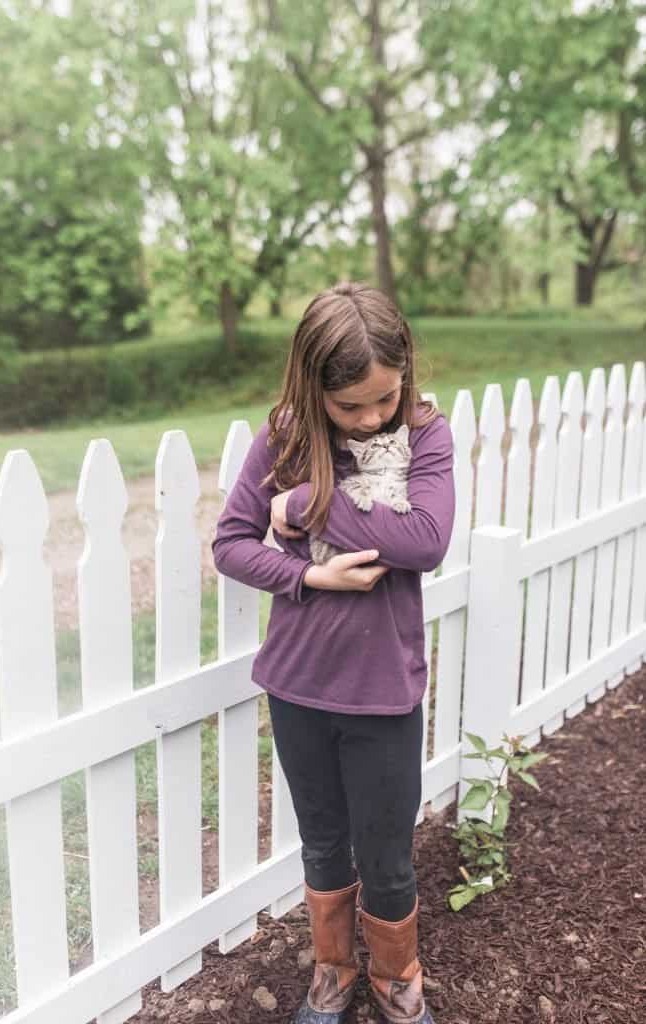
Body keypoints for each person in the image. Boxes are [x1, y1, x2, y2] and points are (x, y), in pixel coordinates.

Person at [211, 281, 455, 1024]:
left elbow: (425, 543)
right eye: (349, 406)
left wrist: (301, 504)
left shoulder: (422, 435)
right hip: (297, 686)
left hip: (382, 690)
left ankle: (395, 976)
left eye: (384, 397)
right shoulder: (283, 435)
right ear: (310, 384)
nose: (370, 417)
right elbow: (229, 544)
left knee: (385, 850)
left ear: (404, 373)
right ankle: (332, 969)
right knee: (322, 842)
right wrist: (308, 571)